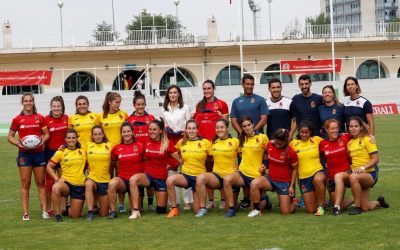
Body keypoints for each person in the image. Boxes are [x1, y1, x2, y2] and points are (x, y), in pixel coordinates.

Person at [8, 92, 50, 221]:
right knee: (25, 183)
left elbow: (46, 134)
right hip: (24, 155)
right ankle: (25, 213)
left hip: (39, 154)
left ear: (33, 102)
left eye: (30, 101)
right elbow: (10, 136)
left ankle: (44, 211)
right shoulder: (17, 119)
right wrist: (17, 143)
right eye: (25, 101)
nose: (28, 103)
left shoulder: (40, 117)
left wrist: (42, 141)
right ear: (23, 103)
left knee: (40, 183)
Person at [128, 120, 181, 219]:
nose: (151, 131)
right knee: (133, 179)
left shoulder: (167, 143)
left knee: (160, 211)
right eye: (150, 129)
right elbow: (140, 158)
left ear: (160, 131)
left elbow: (179, 160)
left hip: (161, 179)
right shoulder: (146, 142)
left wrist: (171, 167)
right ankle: (135, 211)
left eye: (154, 129)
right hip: (148, 176)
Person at [230, 74, 269, 208]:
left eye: (251, 84)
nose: (249, 86)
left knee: (259, 169)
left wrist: (253, 132)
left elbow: (264, 118)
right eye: (247, 84)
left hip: (258, 142)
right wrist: (243, 133)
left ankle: (262, 196)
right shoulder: (237, 101)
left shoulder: (260, 100)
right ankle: (246, 198)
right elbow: (233, 120)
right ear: (243, 84)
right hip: (243, 142)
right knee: (243, 169)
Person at [193, 80, 229, 209]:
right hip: (204, 145)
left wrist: (222, 117)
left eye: (209, 88)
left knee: (221, 171)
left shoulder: (222, 104)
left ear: (214, 89)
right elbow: (195, 124)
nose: (207, 91)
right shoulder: (199, 105)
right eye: (204, 89)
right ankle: (211, 200)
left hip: (218, 144)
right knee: (207, 172)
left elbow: (226, 123)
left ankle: (224, 199)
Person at [223, 117, 269, 217]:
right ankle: (231, 208)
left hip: (256, 174)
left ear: (253, 125)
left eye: (249, 125)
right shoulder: (241, 139)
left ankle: (265, 199)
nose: (247, 128)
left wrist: (264, 166)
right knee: (227, 180)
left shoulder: (262, 138)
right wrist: (236, 165)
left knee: (254, 209)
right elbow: (239, 154)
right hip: (242, 173)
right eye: (244, 126)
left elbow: (268, 153)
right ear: (242, 128)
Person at [248, 128, 298, 217]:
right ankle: (257, 209)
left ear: (286, 141)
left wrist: (291, 186)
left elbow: (294, 169)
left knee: (286, 212)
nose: (278, 146)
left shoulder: (291, 152)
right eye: (276, 142)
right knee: (254, 183)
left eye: (281, 144)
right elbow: (266, 157)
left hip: (283, 183)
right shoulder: (270, 145)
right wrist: (263, 167)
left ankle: (294, 202)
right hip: (270, 179)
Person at [166, 120, 212, 218]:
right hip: (186, 176)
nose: (191, 131)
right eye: (189, 128)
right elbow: (174, 152)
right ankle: (174, 209)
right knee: (170, 180)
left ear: (197, 130)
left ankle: (202, 206)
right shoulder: (181, 143)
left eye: (194, 128)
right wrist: (179, 161)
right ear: (186, 130)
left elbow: (213, 157)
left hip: (199, 178)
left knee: (197, 210)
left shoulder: (205, 143)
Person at [195, 119, 239, 217]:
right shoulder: (213, 142)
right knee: (200, 178)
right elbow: (206, 155)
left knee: (229, 208)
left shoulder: (235, 141)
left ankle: (234, 206)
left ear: (227, 128)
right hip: (217, 176)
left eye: (222, 127)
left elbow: (244, 155)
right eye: (217, 127)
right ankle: (203, 208)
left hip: (231, 176)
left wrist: (239, 167)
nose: (219, 130)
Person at [347, 116, 388, 215]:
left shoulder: (368, 139)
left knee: (353, 177)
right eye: (351, 126)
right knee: (366, 207)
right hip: (358, 175)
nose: (353, 128)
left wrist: (362, 168)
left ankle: (357, 207)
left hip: (370, 174)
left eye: (356, 126)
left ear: (361, 127)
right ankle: (379, 202)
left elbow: (375, 159)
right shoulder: (349, 143)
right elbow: (351, 161)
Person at [160, 85, 193, 209]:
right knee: (171, 172)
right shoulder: (164, 110)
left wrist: (184, 135)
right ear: (168, 95)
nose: (173, 95)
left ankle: (187, 202)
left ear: (179, 94)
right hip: (169, 141)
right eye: (170, 93)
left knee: (185, 170)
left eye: (175, 92)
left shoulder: (185, 108)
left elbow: (190, 124)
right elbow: (163, 126)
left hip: (183, 140)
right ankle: (174, 202)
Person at [47, 129, 86, 222]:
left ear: (77, 139)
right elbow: (49, 166)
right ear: (65, 139)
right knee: (56, 187)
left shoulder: (83, 151)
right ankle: (57, 215)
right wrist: (56, 178)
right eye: (69, 138)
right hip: (66, 183)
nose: (71, 140)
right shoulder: (60, 152)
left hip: (79, 185)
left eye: (73, 138)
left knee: (75, 215)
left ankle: (68, 207)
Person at [126, 90, 156, 210]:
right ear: (134, 105)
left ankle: (150, 204)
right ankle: (139, 205)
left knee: (149, 178)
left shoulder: (151, 117)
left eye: (142, 104)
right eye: (138, 104)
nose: (141, 106)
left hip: (149, 153)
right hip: (135, 154)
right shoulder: (129, 119)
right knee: (138, 180)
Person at [98, 92, 128, 212]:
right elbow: (97, 134)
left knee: (120, 178)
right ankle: (110, 206)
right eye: (116, 102)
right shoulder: (101, 116)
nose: (118, 104)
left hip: (122, 151)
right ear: (109, 102)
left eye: (119, 102)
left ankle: (121, 204)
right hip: (107, 153)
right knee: (108, 179)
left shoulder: (123, 114)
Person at [107, 122, 144, 219]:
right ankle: (113, 211)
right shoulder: (116, 148)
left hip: (136, 182)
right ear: (121, 133)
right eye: (124, 132)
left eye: (128, 131)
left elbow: (146, 163)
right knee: (112, 183)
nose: (126, 134)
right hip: (123, 180)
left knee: (135, 210)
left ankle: (136, 207)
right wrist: (110, 177)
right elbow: (112, 164)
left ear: (132, 133)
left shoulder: (140, 146)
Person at [289, 120, 326, 216]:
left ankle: (321, 206)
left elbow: (330, 142)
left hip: (317, 170)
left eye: (306, 132)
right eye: (302, 132)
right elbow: (281, 146)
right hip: (304, 178)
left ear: (310, 132)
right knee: (311, 209)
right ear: (299, 132)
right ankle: (298, 201)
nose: (304, 134)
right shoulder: (293, 143)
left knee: (318, 180)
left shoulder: (316, 139)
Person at [319, 119, 353, 215]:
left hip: (346, 174)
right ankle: (355, 198)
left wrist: (371, 137)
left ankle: (337, 207)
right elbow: (320, 158)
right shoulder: (322, 144)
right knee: (338, 205)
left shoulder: (345, 138)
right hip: (331, 177)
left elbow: (359, 134)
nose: (335, 130)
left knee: (339, 177)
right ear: (326, 129)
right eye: (332, 128)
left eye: (337, 128)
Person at [44, 96, 68, 216]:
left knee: (63, 179)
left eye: (58, 106)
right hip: (50, 152)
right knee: (50, 182)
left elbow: (71, 135)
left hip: (64, 153)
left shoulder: (66, 118)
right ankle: (48, 208)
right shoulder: (46, 119)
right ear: (51, 107)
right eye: (54, 106)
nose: (56, 108)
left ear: (62, 107)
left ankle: (64, 207)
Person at [85, 125, 112, 220]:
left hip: (105, 181)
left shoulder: (109, 146)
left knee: (103, 214)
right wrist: (63, 147)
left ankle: (100, 207)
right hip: (92, 178)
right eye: (95, 134)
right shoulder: (88, 146)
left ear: (103, 135)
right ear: (92, 136)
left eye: (99, 134)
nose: (97, 136)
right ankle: (90, 211)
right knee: (88, 184)